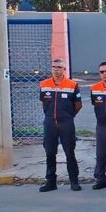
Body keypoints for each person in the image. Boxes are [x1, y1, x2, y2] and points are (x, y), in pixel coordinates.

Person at [38, 58, 83, 192]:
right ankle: (51, 182)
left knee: (70, 152)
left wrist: (69, 116)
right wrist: (50, 116)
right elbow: (42, 103)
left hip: (66, 123)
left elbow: (78, 104)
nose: (56, 69)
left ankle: (74, 181)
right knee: (50, 152)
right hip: (50, 122)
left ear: (64, 69)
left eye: (59, 67)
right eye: (54, 67)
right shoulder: (44, 84)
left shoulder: (72, 85)